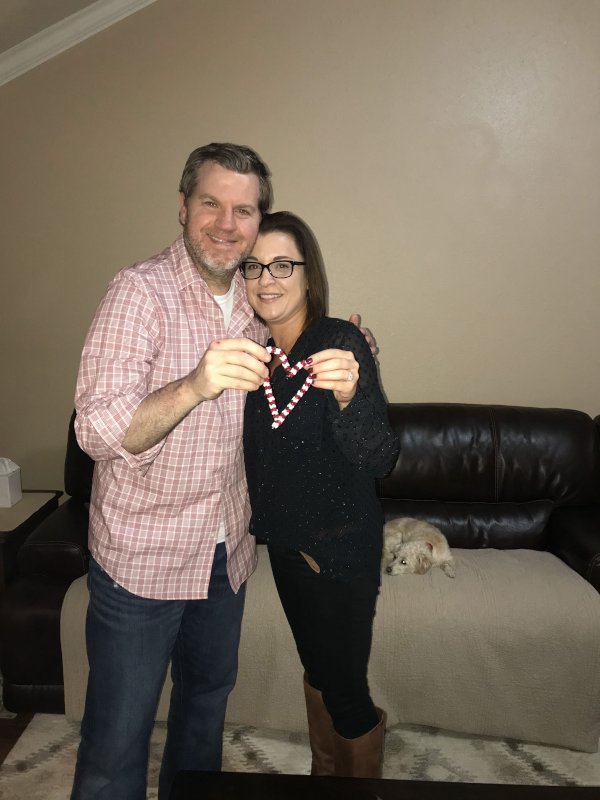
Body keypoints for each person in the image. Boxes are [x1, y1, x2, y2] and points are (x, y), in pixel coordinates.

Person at [71, 143, 377, 800]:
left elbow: (304, 368)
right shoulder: (138, 293)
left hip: (226, 555)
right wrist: (193, 385)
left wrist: (352, 355)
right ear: (183, 207)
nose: (226, 223)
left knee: (204, 713)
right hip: (143, 559)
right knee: (116, 740)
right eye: (211, 203)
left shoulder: (253, 298)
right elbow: (94, 431)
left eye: (243, 210)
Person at [242, 211, 400, 779]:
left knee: (345, 691)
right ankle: (325, 771)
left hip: (339, 550)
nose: (267, 278)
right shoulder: (255, 355)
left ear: (309, 274)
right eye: (254, 265)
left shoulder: (340, 342)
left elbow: (380, 457)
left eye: (282, 264)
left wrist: (351, 395)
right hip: (285, 545)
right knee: (318, 669)